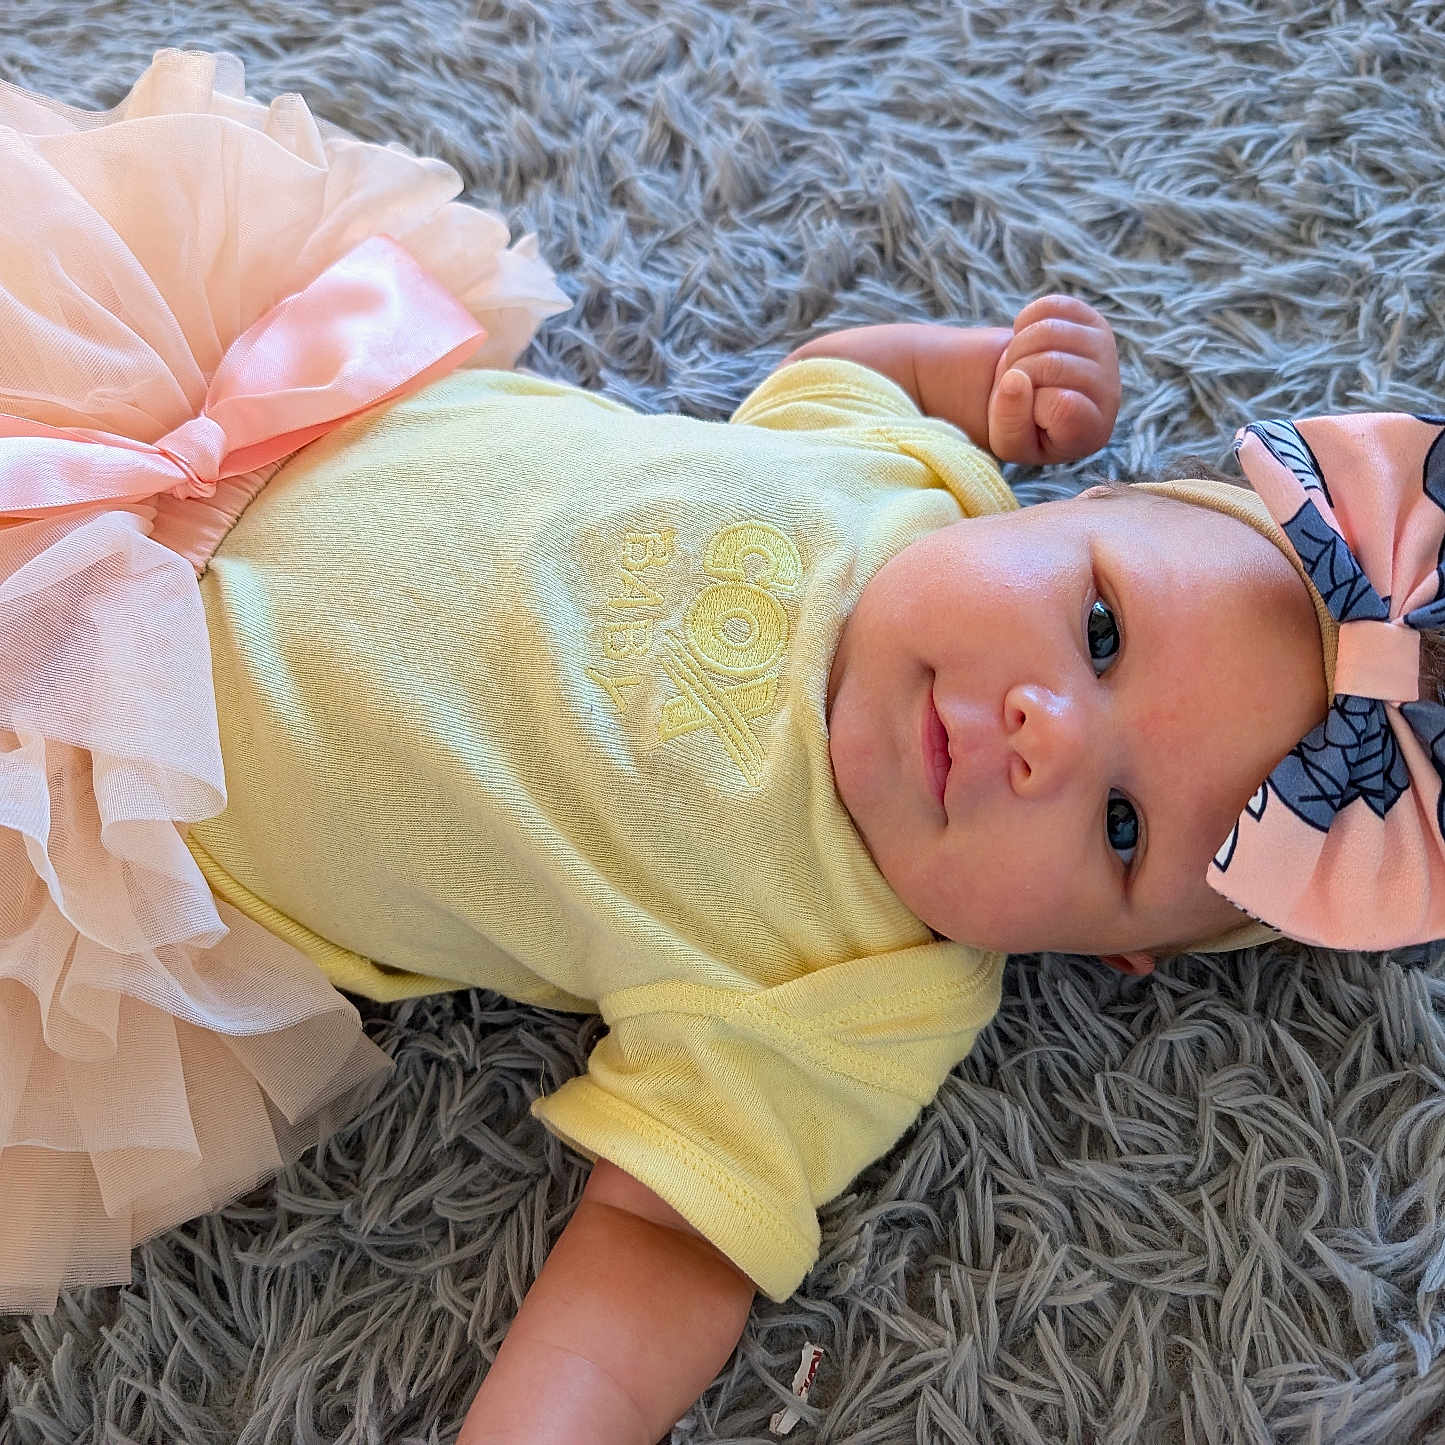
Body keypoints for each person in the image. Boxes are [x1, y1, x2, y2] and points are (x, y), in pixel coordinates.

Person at [3, 48, 1442, 1445]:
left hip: (103, 787)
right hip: (220, 413)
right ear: (1058, 509)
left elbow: (664, 1239)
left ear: (1106, 953)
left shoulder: (862, 990)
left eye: (1121, 828)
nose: (1044, 733)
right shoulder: (908, 484)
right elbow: (838, 370)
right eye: (1100, 628)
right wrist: (980, 375)